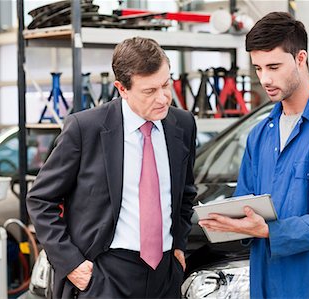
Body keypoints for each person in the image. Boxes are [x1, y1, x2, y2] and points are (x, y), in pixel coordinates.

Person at [199, 12, 309, 298]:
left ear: (300, 58)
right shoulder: (260, 135)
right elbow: (246, 203)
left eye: (274, 66)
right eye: (258, 68)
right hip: (266, 281)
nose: (265, 79)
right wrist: (225, 222)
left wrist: (268, 231)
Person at [27, 37, 197, 298]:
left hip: (164, 275)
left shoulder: (182, 125)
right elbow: (40, 199)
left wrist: (178, 247)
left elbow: (185, 193)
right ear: (122, 89)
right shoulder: (86, 129)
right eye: (150, 91)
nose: (163, 98)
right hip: (105, 274)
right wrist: (72, 264)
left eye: (166, 84)